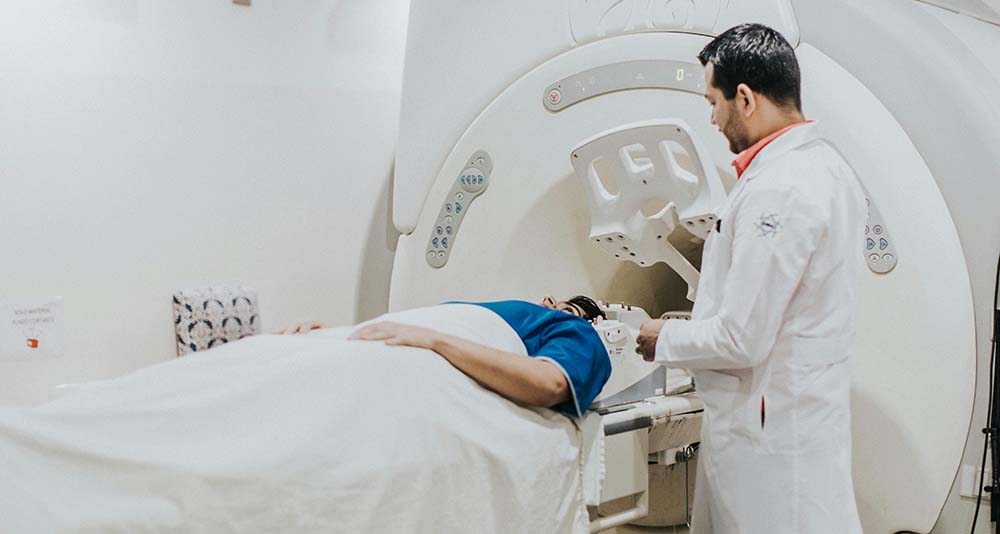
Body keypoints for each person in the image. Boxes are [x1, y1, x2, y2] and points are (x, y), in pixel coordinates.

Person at [635, 24, 865, 533]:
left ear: (744, 98)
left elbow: (742, 337)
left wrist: (660, 336)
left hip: (769, 434)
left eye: (713, 102)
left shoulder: (780, 189)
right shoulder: (823, 168)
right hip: (784, 418)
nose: (712, 118)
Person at [279, 295, 611, 418]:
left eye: (567, 309)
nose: (551, 305)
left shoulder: (578, 330)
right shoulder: (475, 310)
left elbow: (550, 384)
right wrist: (337, 334)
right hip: (355, 343)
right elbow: (405, 332)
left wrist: (435, 340)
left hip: (412, 357)